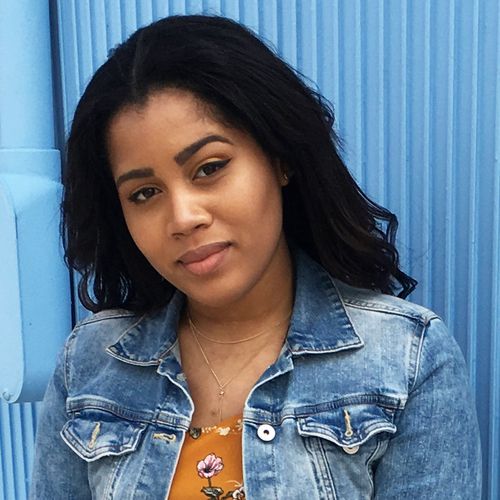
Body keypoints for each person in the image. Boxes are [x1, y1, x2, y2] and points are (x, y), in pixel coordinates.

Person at [30, 15, 481, 499]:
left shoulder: (405, 360)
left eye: (209, 168)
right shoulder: (90, 362)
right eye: (144, 193)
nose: (183, 217)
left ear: (279, 157)